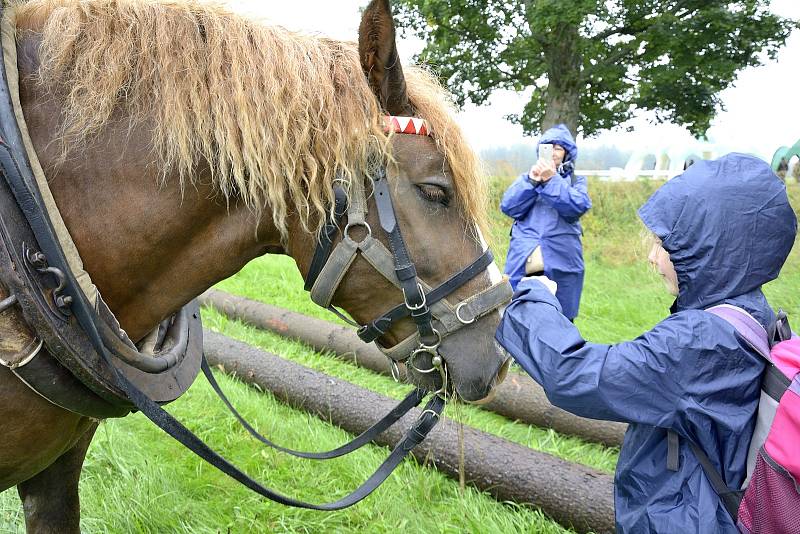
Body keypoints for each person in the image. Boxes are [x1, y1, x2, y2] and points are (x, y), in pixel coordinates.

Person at [496, 154, 797, 533]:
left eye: (667, 245)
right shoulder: (752, 312)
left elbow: (574, 373)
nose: (653, 259)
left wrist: (534, 297)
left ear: (712, 249)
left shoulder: (702, 341)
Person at [500, 124, 591, 321]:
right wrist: (532, 182)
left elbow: (576, 208)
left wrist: (551, 180)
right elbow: (509, 207)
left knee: (560, 318)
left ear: (567, 153)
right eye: (548, 146)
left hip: (561, 261)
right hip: (524, 261)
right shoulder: (526, 178)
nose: (554, 152)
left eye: (559, 148)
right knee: (518, 315)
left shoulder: (576, 181)